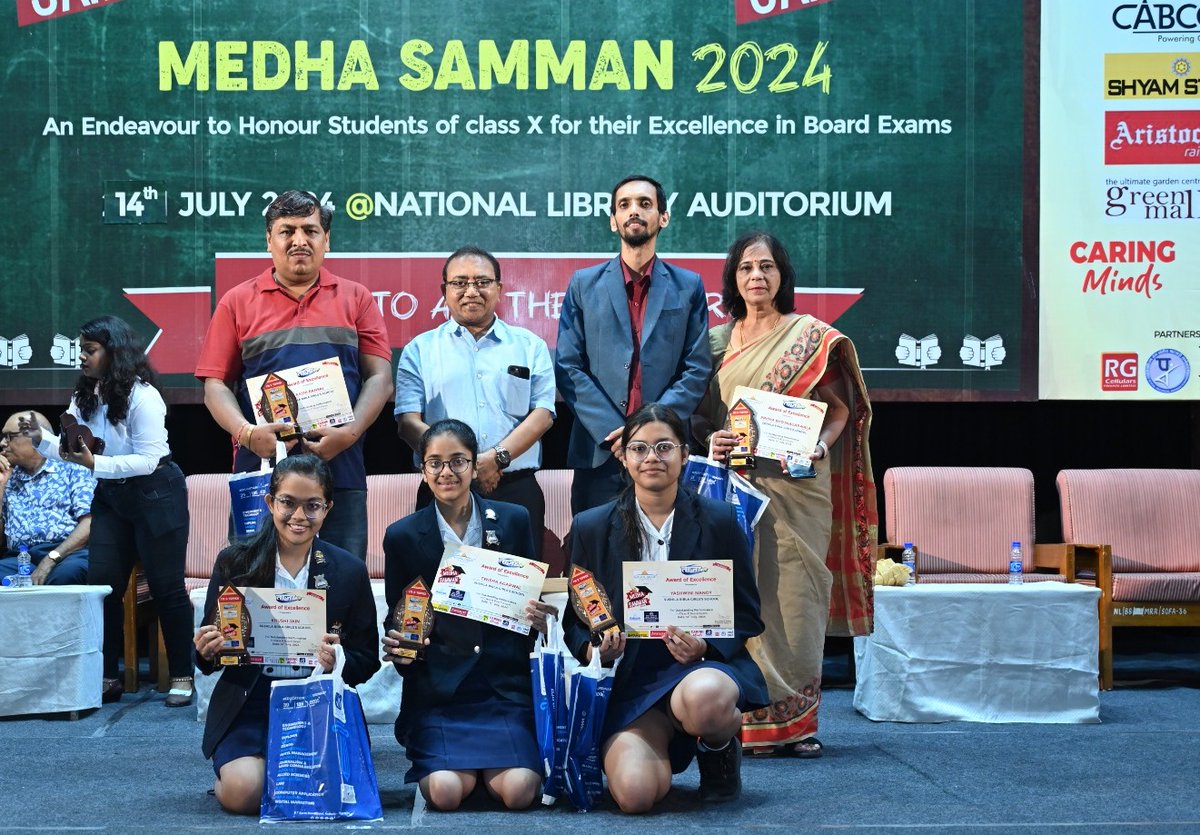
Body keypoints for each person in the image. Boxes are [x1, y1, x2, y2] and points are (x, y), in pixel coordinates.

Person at [694, 231, 877, 758]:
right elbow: (701, 417)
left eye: (767, 267)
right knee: (741, 596)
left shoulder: (810, 337)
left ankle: (796, 724)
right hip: (736, 491)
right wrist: (712, 437)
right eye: (747, 267)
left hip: (797, 489)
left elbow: (839, 410)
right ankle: (746, 722)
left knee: (796, 600)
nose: (757, 276)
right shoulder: (714, 344)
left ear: (782, 276)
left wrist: (820, 444)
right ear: (733, 279)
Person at [563, 403, 767, 813]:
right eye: (639, 448)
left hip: (699, 670)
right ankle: (655, 750)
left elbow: (746, 613)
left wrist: (705, 647)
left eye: (664, 447)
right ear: (623, 457)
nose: (651, 458)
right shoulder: (592, 525)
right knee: (635, 797)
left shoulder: (721, 519)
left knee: (707, 698)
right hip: (632, 681)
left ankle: (718, 749)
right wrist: (596, 649)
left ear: (685, 454)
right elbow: (576, 621)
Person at [195, 189, 394, 560]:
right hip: (261, 473)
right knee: (254, 582)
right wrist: (247, 434)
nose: (299, 240)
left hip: (340, 469)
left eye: (310, 230)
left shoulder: (357, 298)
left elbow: (380, 378)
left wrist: (349, 434)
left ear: (326, 240)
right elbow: (214, 386)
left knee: (339, 580)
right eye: (287, 231)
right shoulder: (237, 301)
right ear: (269, 240)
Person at [381, 419, 555, 812]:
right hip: (440, 692)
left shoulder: (514, 519)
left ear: (475, 466)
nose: (447, 472)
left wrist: (541, 622)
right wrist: (400, 646)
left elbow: (528, 608)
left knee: (519, 792)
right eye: (435, 463)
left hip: (503, 688)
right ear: (422, 471)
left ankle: (487, 773)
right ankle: (468, 773)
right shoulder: (403, 535)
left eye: (458, 461)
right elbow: (399, 617)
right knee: (444, 794)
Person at [194, 454, 379, 816]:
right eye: (288, 502)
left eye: (313, 505)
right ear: (270, 502)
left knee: (330, 789)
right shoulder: (235, 562)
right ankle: (246, 774)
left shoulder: (349, 570)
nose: (299, 516)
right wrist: (206, 650)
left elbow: (367, 658)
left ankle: (281, 774)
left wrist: (337, 661)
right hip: (251, 702)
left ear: (328, 508)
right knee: (244, 793)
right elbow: (207, 658)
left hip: (317, 706)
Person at [24, 316, 194, 706]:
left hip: (156, 493)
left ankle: (182, 675)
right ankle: (107, 676)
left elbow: (148, 460)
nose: (81, 357)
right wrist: (43, 441)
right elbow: (75, 449)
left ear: (113, 352)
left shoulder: (143, 396)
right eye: (80, 350)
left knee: (167, 587)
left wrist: (94, 465)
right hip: (112, 497)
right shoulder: (85, 394)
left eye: (89, 350)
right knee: (104, 587)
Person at [555, 174, 711, 515]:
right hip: (601, 451)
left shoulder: (688, 286)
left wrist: (651, 429)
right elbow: (568, 366)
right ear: (614, 221)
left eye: (645, 203)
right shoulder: (583, 284)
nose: (634, 211)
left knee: (668, 547)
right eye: (624, 205)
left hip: (665, 452)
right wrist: (617, 434)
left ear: (663, 217)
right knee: (596, 548)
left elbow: (697, 368)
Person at [394, 246, 555, 559]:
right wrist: (458, 464)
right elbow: (407, 422)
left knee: (517, 586)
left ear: (499, 288)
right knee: (438, 583)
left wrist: (497, 458)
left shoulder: (530, 346)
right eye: (460, 283)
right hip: (443, 486)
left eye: (482, 282)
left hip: (514, 487)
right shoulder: (420, 350)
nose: (471, 291)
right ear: (444, 291)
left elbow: (543, 414)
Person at [0, 411, 94, 585]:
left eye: (9, 437)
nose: (2, 443)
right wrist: (1, 486)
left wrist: (51, 559)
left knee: (65, 575)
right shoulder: (8, 475)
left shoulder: (72, 467)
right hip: (20, 557)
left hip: (67, 553)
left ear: (34, 437)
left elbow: (89, 522)